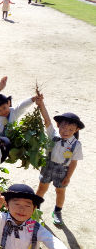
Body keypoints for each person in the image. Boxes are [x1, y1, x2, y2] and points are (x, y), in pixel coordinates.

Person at [35, 96, 83, 226]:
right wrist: (41, 104)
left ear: (76, 130)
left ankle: (57, 211)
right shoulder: (53, 134)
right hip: (48, 166)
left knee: (60, 191)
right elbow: (47, 120)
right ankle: (35, 210)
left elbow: (73, 162)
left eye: (70, 130)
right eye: (63, 128)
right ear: (58, 125)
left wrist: (68, 177)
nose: (66, 132)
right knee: (41, 189)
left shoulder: (76, 144)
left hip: (63, 170)